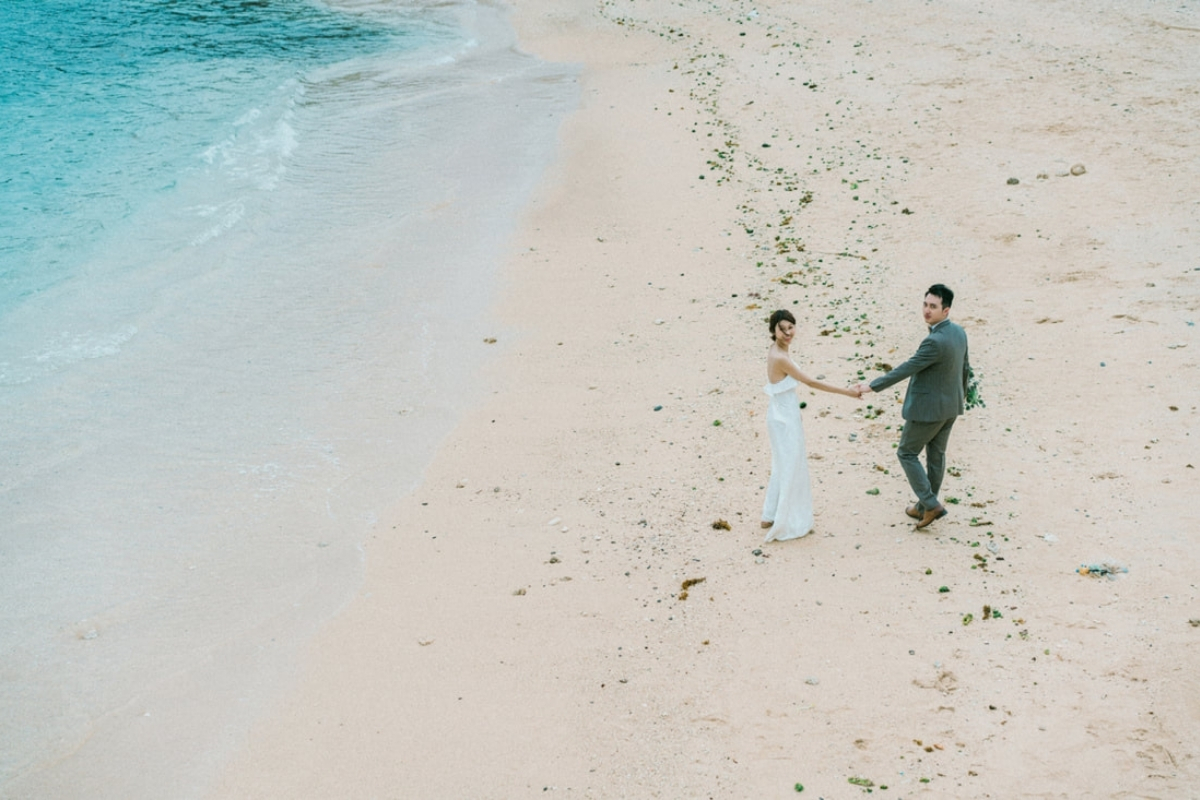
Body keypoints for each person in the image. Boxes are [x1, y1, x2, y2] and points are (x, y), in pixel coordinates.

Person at [856, 284, 970, 530]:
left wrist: (872, 386)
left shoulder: (934, 342)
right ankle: (922, 506)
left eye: (933, 307)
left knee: (906, 452)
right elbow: (965, 368)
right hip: (952, 406)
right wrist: (961, 397)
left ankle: (930, 504)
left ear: (946, 310)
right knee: (936, 456)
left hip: (929, 410)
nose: (927, 311)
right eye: (925, 304)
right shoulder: (959, 332)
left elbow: (907, 368)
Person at [762, 309, 863, 542]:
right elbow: (810, 381)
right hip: (783, 417)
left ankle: (769, 514)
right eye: (782, 329)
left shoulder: (778, 351)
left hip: (782, 412)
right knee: (792, 466)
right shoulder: (780, 357)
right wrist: (847, 392)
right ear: (773, 331)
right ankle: (786, 520)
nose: (788, 333)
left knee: (783, 464)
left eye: (791, 327)